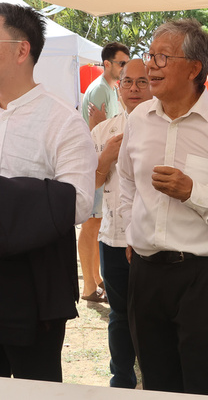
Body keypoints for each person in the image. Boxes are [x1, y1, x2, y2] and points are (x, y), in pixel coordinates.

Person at [0, 2, 96, 381]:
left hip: (33, 278)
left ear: (22, 50)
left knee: (34, 387)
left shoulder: (63, 121)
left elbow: (78, 202)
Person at [118, 19, 208, 395]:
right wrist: (129, 233)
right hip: (146, 271)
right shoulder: (138, 120)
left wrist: (194, 193)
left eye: (162, 57)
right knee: (155, 377)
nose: (150, 65)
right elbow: (125, 182)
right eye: (150, 55)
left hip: (203, 274)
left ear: (194, 68)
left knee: (202, 379)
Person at [91, 57, 152, 389]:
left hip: (152, 240)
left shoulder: (164, 128)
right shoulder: (104, 131)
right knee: (119, 315)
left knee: (151, 317)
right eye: (128, 82)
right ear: (118, 86)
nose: (134, 89)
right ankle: (122, 381)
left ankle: (156, 382)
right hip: (113, 237)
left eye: (142, 82)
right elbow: (91, 185)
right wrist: (104, 159)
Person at [79, 42, 130, 302]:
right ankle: (89, 284)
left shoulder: (110, 89)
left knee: (97, 223)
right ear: (107, 64)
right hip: (99, 166)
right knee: (92, 224)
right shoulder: (101, 88)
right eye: (121, 64)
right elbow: (96, 131)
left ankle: (96, 279)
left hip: (106, 168)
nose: (124, 69)